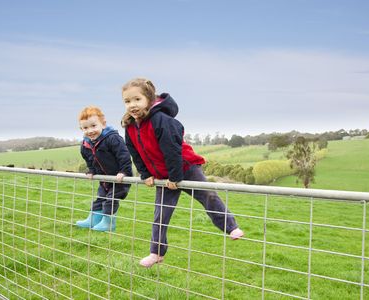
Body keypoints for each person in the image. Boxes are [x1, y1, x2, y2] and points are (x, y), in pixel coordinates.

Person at [121, 78, 244, 268]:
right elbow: (135, 153)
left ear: (149, 99)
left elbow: (172, 150)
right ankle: (156, 252)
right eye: (127, 101)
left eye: (137, 99)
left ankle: (231, 227)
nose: (132, 105)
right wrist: (145, 174)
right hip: (163, 176)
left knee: (208, 196)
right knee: (160, 213)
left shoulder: (161, 120)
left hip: (185, 167)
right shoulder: (130, 126)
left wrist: (175, 177)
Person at [76, 106, 132, 232]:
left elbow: (124, 155)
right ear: (81, 129)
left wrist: (124, 172)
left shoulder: (112, 138)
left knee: (110, 199)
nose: (90, 131)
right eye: (85, 128)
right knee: (100, 198)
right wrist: (91, 170)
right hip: (105, 179)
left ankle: (108, 223)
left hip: (119, 178)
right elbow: (89, 159)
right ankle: (93, 219)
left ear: (103, 124)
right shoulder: (85, 145)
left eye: (93, 126)